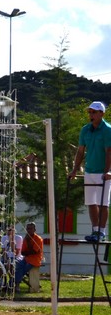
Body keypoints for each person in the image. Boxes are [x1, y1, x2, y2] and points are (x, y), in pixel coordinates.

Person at [68, 101, 111, 242]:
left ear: (101, 113)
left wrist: (108, 172)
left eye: (94, 112)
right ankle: (95, 230)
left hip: (103, 172)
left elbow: (109, 152)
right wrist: (75, 170)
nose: (91, 115)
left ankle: (102, 232)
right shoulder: (85, 129)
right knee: (91, 202)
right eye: (90, 112)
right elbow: (80, 151)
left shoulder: (107, 130)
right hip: (89, 171)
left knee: (103, 203)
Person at [14, 222, 43, 291]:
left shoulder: (38, 239)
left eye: (30, 229)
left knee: (22, 269)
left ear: (34, 230)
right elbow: (23, 252)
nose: (29, 230)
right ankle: (16, 285)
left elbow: (34, 252)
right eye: (27, 229)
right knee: (18, 266)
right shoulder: (25, 239)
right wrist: (28, 252)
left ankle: (15, 285)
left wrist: (29, 243)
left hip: (35, 260)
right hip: (26, 259)